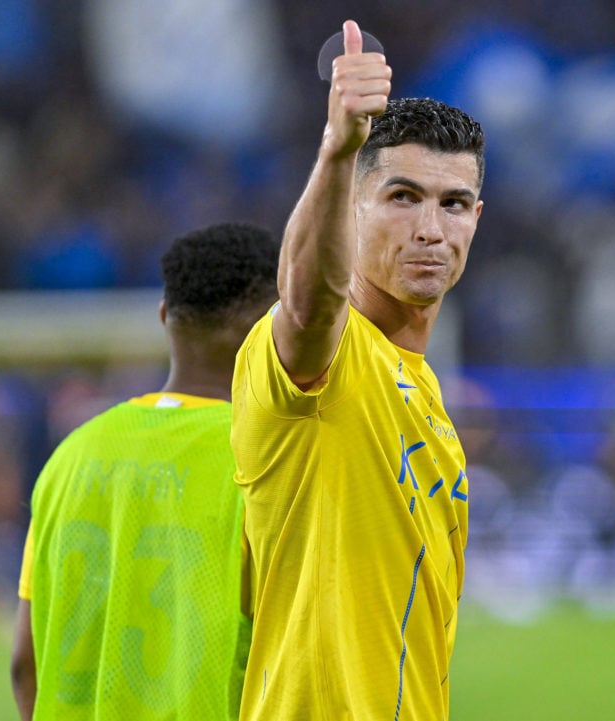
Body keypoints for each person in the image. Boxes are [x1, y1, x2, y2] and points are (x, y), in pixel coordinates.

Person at [229, 19, 484, 721]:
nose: (431, 229)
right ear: (354, 209)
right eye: (403, 197)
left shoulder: (425, 394)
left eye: (453, 204)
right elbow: (308, 301)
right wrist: (339, 149)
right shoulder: (325, 356)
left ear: (476, 218)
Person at [10, 222, 280, 720]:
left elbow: (23, 664)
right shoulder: (268, 460)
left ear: (164, 316)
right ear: (273, 324)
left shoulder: (70, 455)